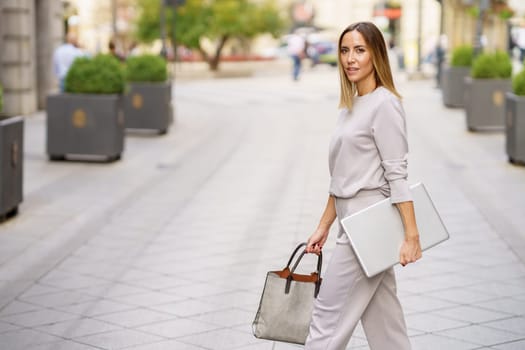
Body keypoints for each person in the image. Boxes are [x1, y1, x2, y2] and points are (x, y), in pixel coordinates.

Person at [304, 22, 422, 350]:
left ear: (376, 54)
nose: (350, 59)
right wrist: (324, 225)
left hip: (368, 224)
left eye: (359, 50)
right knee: (386, 325)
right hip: (351, 221)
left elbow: (396, 175)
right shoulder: (351, 105)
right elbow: (341, 177)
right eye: (345, 50)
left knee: (326, 318)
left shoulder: (385, 104)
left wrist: (411, 236)